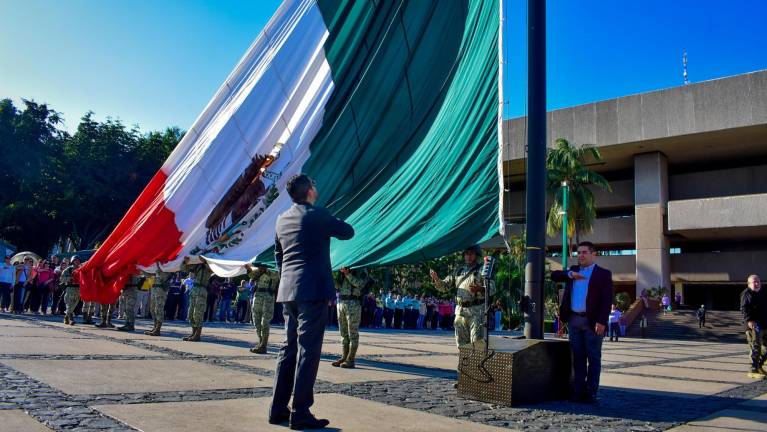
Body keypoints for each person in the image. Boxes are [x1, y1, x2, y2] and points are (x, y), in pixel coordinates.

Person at [269, 173, 354, 429]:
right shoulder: (318, 215)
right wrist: (330, 216)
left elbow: (278, 255)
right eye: (314, 185)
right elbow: (348, 232)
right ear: (309, 191)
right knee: (308, 350)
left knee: (289, 348)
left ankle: (277, 409)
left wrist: (288, 280)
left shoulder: (281, 219)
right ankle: (301, 411)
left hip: (288, 291)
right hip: (313, 291)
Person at [551, 241, 613, 404]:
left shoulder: (603, 274)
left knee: (593, 358)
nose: (581, 255)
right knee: (578, 358)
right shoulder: (573, 271)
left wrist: (602, 321)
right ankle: (578, 391)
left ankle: (591, 392)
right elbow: (554, 276)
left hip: (593, 322)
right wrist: (570, 275)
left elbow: (607, 300)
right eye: (579, 253)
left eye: (585, 252)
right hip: (574, 320)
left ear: (594, 254)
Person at [430, 245, 495, 388]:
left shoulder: (481, 270)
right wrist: (436, 279)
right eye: (466, 254)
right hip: (460, 312)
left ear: (476, 255)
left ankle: (477, 379)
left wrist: (480, 288)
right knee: (462, 346)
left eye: (471, 254)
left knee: (476, 344)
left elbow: (492, 288)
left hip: (476, 311)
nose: (468, 256)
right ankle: (464, 379)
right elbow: (444, 287)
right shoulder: (458, 271)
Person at [332, 267, 369, 369]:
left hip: (353, 304)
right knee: (343, 333)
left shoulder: (362, 270)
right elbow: (338, 286)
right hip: (341, 303)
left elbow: (359, 284)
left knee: (352, 333)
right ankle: (344, 357)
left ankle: (351, 359)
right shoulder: (343, 270)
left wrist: (347, 274)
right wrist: (331, 277)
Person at [741, 275, 767, 379]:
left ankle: (758, 365)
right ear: (749, 284)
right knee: (756, 346)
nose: (756, 284)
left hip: (765, 324)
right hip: (754, 325)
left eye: (758, 282)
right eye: (754, 282)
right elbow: (744, 308)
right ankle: (753, 369)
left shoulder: (763, 293)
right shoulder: (746, 294)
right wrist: (749, 320)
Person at [180, 258, 212, 341]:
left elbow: (211, 269)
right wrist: (185, 262)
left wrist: (205, 261)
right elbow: (183, 269)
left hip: (201, 290)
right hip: (194, 290)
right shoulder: (196, 266)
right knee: (190, 314)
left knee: (198, 313)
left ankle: (198, 335)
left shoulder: (210, 265)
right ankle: (193, 333)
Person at [249, 265, 278, 354]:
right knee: (256, 321)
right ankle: (260, 342)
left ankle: (263, 345)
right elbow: (251, 277)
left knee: (265, 322)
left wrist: (265, 269)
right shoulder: (258, 270)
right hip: (257, 295)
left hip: (268, 296)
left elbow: (276, 277)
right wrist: (248, 269)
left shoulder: (274, 268)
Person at [145, 264, 172, 336]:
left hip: (161, 290)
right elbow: (149, 276)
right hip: (154, 289)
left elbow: (164, 276)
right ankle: (155, 326)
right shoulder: (154, 268)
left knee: (159, 309)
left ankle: (158, 329)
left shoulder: (167, 267)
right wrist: (141, 269)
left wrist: (158, 266)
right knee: (152, 309)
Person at [60, 256, 82, 325]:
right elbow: (62, 278)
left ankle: (66, 317)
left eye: (78, 260)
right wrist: (70, 278)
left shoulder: (81, 269)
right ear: (72, 261)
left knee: (74, 304)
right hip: (70, 289)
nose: (77, 262)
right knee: (69, 304)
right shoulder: (68, 269)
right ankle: (71, 319)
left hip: (78, 289)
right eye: (75, 260)